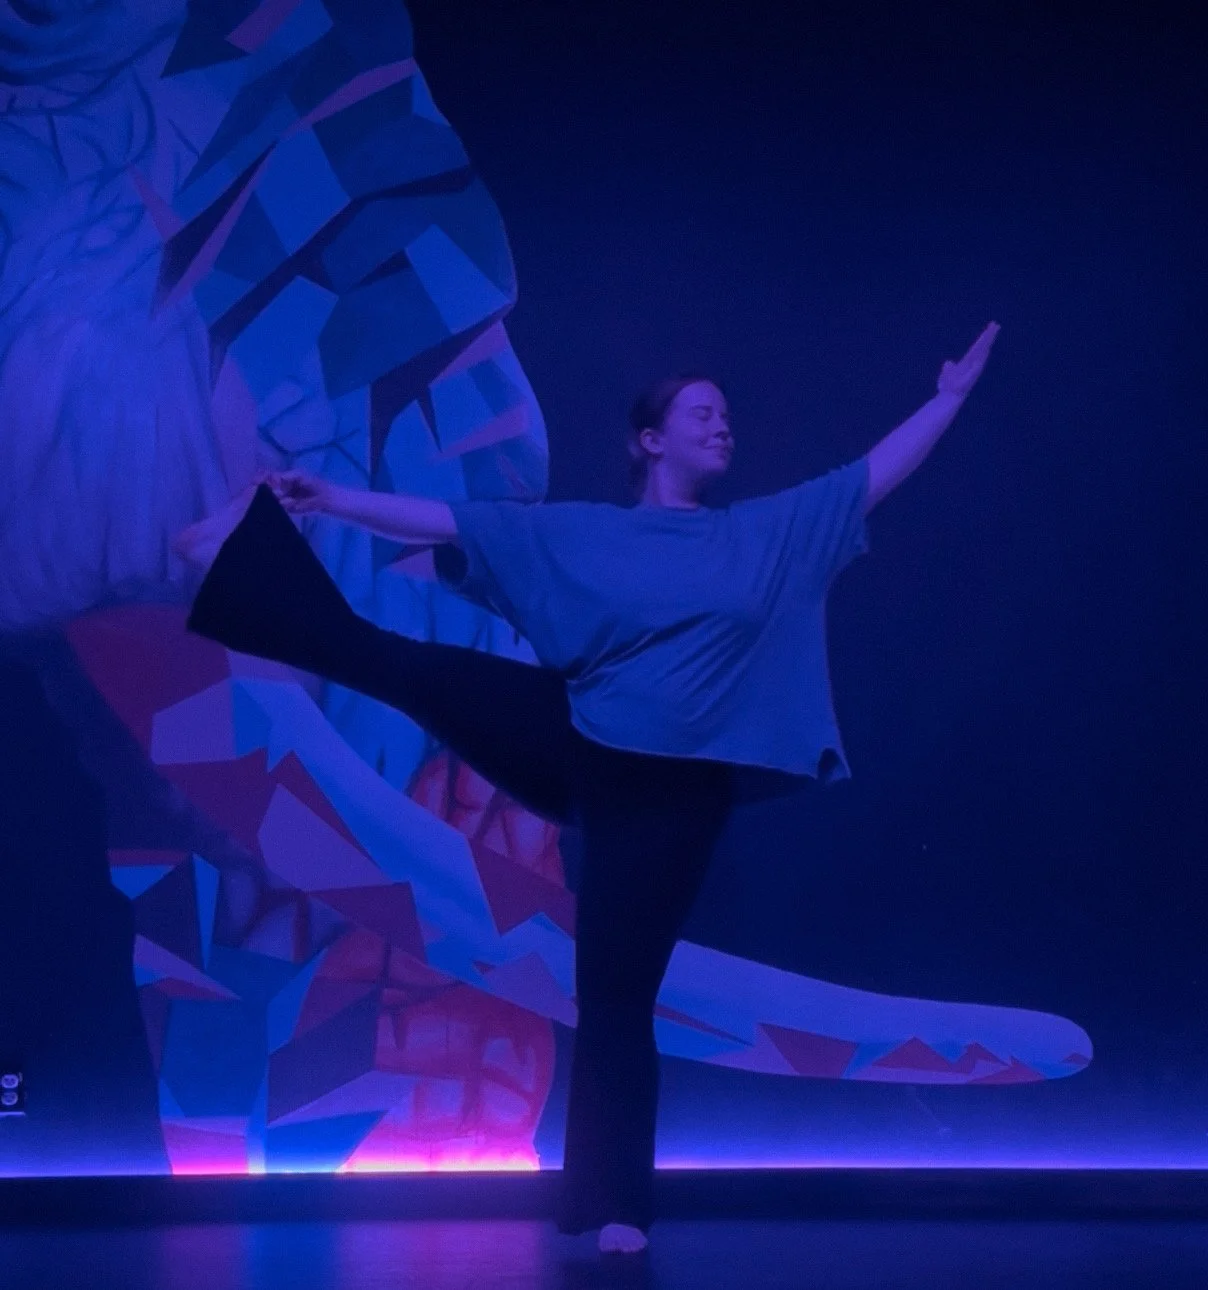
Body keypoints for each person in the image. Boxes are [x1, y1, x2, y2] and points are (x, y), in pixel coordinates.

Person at [175, 321, 1000, 1254]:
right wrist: (330, 498)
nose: (722, 426)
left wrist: (947, 400)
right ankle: (235, 552)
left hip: (670, 797)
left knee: (613, 994)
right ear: (652, 440)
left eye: (726, 416)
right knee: (400, 663)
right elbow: (456, 521)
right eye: (701, 413)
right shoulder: (586, 533)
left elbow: (870, 478)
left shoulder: (766, 534)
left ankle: (612, 1210)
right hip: (575, 739)